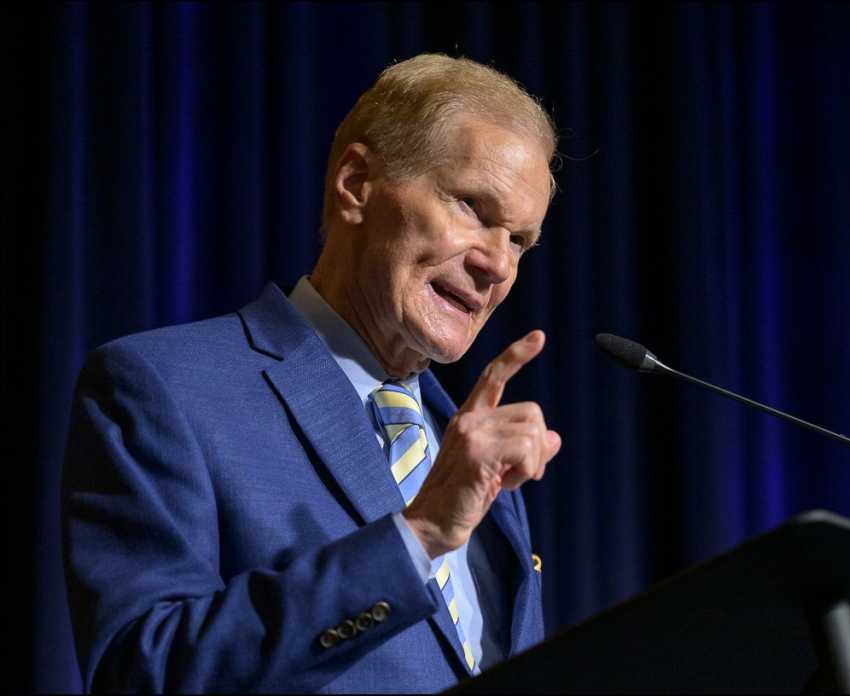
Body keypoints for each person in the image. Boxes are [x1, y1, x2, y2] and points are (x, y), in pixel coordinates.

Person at [61, 53, 562, 694]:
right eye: (472, 207)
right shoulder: (160, 390)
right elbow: (145, 675)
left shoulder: (471, 452)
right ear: (356, 183)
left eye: (519, 240)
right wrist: (419, 536)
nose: (497, 264)